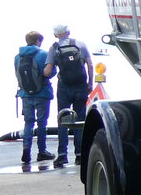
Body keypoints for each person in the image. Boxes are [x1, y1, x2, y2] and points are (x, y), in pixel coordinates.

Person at [44, 24, 94, 167]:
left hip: (64, 87)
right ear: (69, 32)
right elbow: (90, 65)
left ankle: (62, 155)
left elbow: (48, 71)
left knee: (63, 119)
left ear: (55, 35)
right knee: (80, 119)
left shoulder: (54, 47)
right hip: (81, 85)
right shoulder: (80, 44)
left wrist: (43, 74)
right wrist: (90, 83)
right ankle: (79, 154)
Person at [14, 30, 54, 168]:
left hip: (25, 94)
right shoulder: (43, 54)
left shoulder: (17, 56)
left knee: (28, 123)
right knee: (42, 123)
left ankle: (26, 150)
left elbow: (17, 74)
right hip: (42, 93)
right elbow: (50, 72)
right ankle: (42, 151)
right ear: (38, 41)